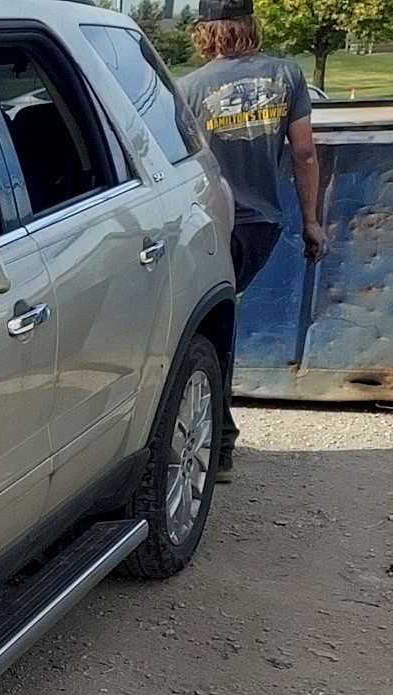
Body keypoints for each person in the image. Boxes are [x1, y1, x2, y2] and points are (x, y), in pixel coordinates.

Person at [176, 0, 327, 483]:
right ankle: (219, 438)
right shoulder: (287, 74)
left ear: (205, 31)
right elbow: (303, 152)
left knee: (204, 326)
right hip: (260, 226)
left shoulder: (188, 88)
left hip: (209, 224)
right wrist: (312, 221)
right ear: (249, 25)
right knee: (217, 321)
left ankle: (217, 444)